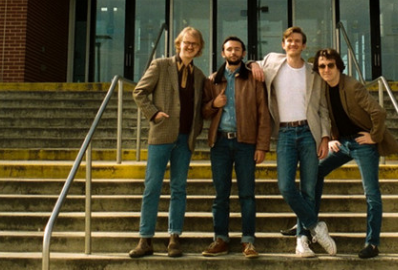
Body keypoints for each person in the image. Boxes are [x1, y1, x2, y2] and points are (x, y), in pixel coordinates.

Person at [249, 26, 337, 258]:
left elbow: (322, 108)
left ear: (304, 46)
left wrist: (325, 137)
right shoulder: (271, 62)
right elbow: (250, 63)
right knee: (286, 186)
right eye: (289, 40)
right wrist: (253, 64)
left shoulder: (313, 72)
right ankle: (316, 226)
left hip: (309, 132)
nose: (293, 44)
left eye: (297, 41)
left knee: (308, 189)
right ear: (283, 44)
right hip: (285, 134)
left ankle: (302, 241)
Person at [313, 48, 398, 259]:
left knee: (371, 193)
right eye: (322, 66)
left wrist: (374, 136)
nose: (326, 70)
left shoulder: (352, 86)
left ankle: (372, 243)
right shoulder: (323, 87)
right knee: (315, 172)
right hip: (343, 143)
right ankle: (308, 223)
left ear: (339, 66)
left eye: (330, 65)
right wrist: (333, 138)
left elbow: (378, 111)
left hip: (363, 143)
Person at [128, 26, 207, 259]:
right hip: (161, 136)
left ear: (199, 48)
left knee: (179, 189)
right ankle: (145, 240)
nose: (190, 46)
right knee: (152, 188)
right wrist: (154, 114)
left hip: (185, 139)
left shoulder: (200, 76)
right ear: (178, 44)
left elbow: (199, 107)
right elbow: (139, 91)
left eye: (195, 44)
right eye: (186, 42)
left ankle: (174, 238)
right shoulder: (161, 65)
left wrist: (198, 129)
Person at [201, 36, 271, 258]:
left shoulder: (254, 78)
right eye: (229, 49)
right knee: (221, 194)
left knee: (247, 194)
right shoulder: (213, 80)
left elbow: (263, 113)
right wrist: (214, 104)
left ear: (243, 53)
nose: (233, 52)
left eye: (237, 49)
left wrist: (262, 146)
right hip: (220, 142)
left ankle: (248, 241)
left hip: (246, 143)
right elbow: (203, 112)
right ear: (223, 53)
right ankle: (220, 239)